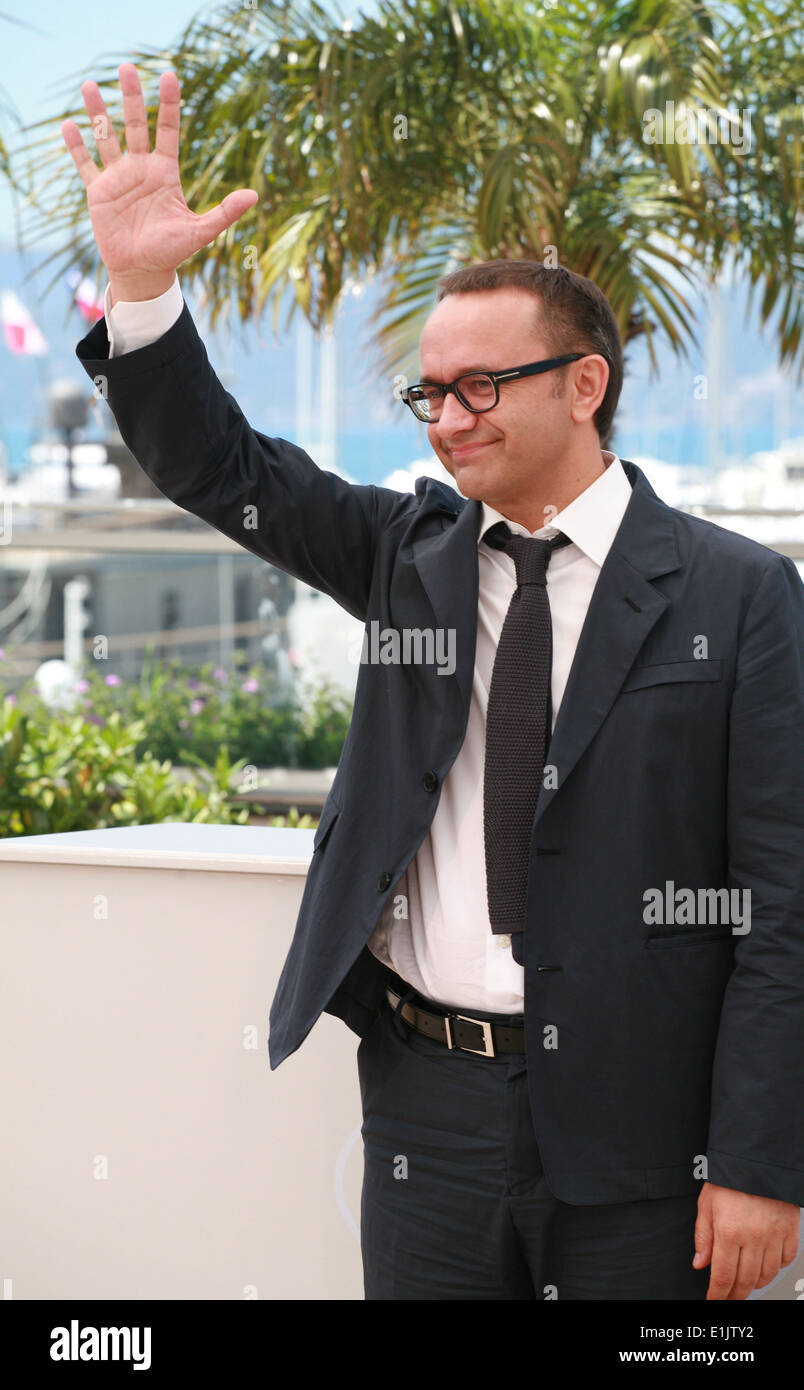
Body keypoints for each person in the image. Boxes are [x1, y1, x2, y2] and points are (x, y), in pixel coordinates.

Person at [64, 63, 804, 1301]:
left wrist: (763, 1158)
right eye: (429, 393)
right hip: (428, 1113)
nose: (446, 419)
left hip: (650, 1138)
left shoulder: (738, 595)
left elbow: (785, 902)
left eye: (481, 387)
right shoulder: (408, 557)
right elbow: (222, 464)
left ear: (585, 384)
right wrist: (143, 289)